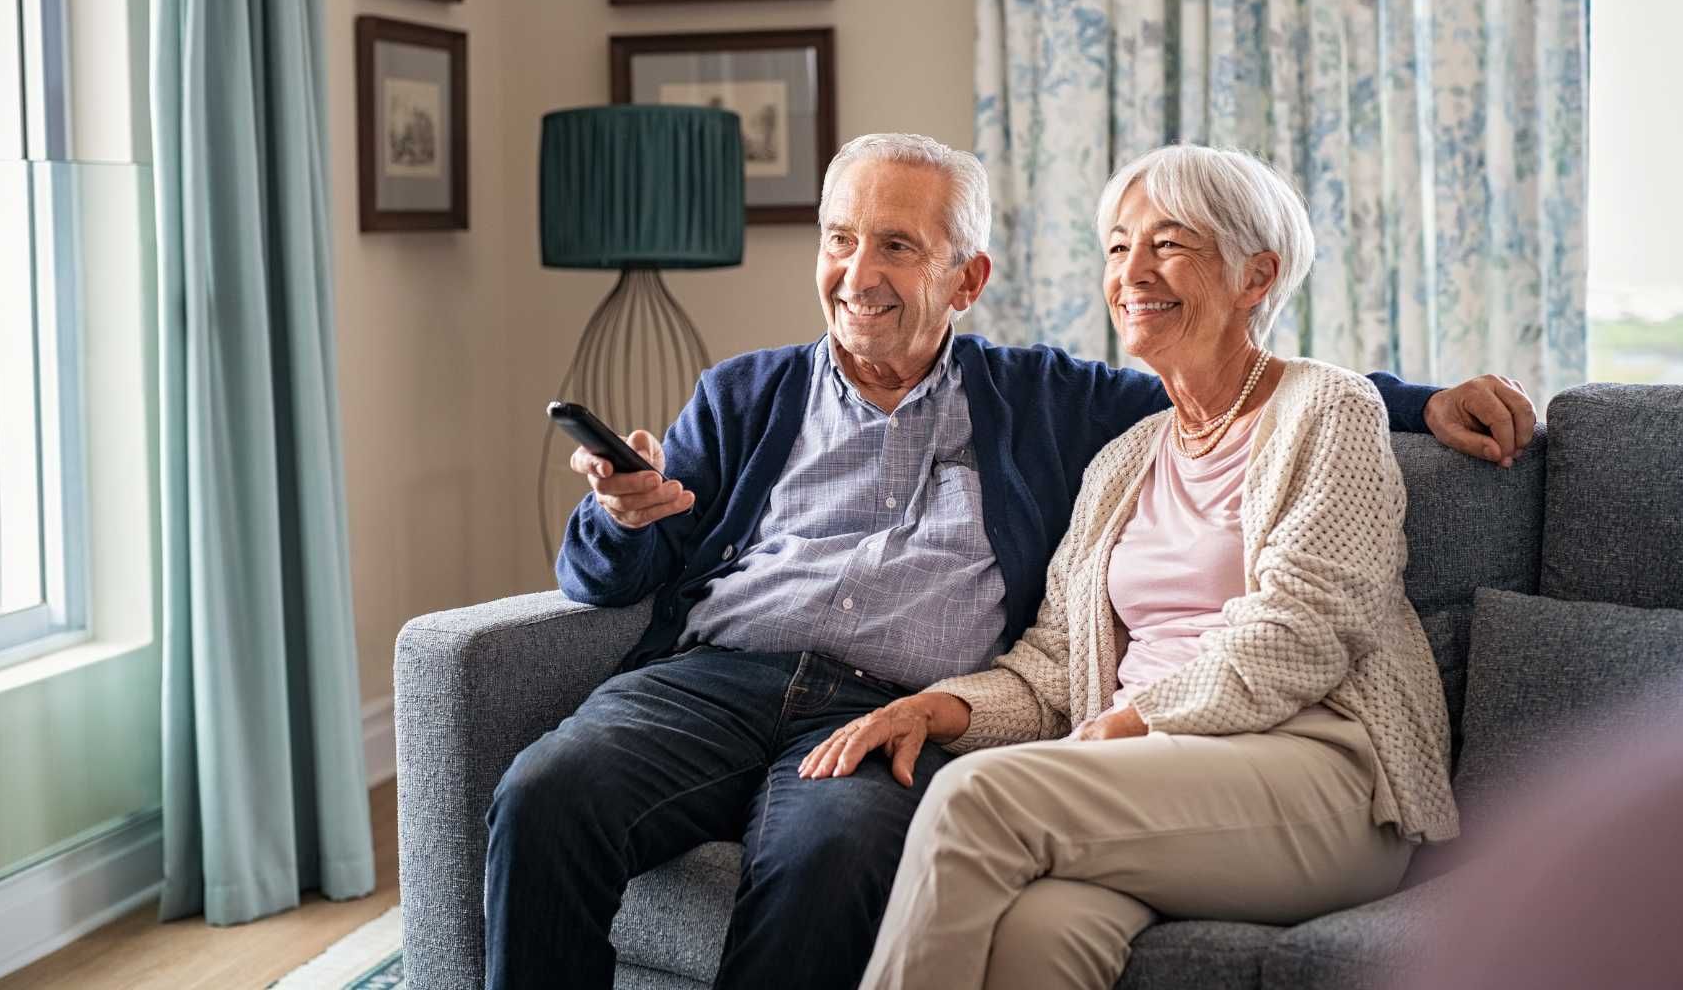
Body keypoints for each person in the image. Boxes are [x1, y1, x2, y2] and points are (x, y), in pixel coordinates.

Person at [484, 134, 1532, 990]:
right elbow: (612, 576)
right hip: (716, 681)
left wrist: (1425, 403)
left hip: (896, 699)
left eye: (897, 245)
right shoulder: (744, 395)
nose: (859, 274)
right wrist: (621, 513)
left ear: (967, 278)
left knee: (838, 853)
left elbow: (1258, 386)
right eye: (841, 239)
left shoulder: (1059, 404)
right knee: (547, 791)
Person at [812, 145, 1459, 990]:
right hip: (1152, 780)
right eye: (1119, 247)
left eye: (1170, 243)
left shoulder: (1327, 409)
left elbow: (1305, 631)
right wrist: (938, 708)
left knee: (976, 798)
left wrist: (1130, 721)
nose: (1133, 271)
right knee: (1039, 935)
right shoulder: (1123, 461)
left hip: (1321, 778)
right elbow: (1053, 668)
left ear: (1254, 276)